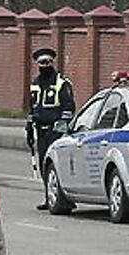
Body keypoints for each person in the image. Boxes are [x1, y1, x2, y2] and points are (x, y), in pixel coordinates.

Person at [26, 46, 75, 210]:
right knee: (43, 165)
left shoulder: (62, 83)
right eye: (41, 63)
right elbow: (32, 107)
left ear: (52, 63)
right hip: (40, 130)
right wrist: (29, 128)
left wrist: (60, 129)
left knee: (56, 164)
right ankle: (49, 197)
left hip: (55, 131)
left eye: (47, 62)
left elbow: (68, 107)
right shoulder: (35, 84)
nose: (45, 66)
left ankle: (63, 198)